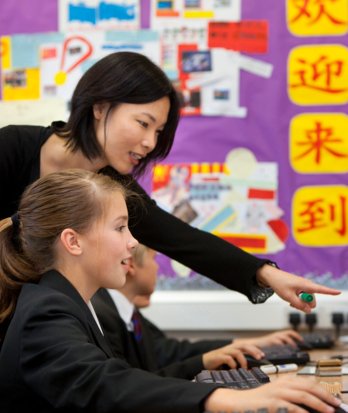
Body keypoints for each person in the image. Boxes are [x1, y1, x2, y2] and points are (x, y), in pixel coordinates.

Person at [0, 51, 340, 344]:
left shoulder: (111, 189)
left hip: (34, 331)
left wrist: (269, 275)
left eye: (159, 131)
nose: (150, 142)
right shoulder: (12, 148)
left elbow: (183, 240)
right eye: (143, 123)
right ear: (100, 108)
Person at [0, 169, 342, 413]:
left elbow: (121, 379)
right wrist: (224, 399)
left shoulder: (66, 301)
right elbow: (101, 383)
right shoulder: (46, 311)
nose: (133, 242)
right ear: (73, 241)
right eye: (120, 228)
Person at [92, 244, 304, 380]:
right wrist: (203, 362)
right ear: (130, 265)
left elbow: (168, 350)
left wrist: (234, 346)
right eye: (154, 259)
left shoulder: (128, 314)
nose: (157, 268)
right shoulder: (106, 317)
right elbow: (135, 382)